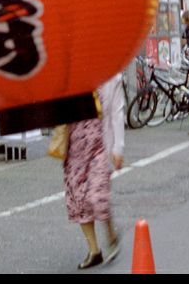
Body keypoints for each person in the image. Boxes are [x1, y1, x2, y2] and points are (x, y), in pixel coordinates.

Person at [63, 73, 125, 270]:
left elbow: (117, 111)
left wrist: (118, 148)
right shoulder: (70, 74)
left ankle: (111, 234)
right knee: (78, 200)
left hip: (99, 145)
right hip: (74, 147)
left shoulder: (112, 76)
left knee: (97, 196)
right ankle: (94, 251)